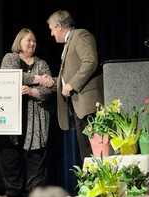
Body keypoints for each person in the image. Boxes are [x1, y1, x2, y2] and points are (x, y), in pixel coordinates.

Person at [0, 28, 53, 197]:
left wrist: (31, 91)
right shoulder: (10, 58)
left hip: (35, 118)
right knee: (10, 157)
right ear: (19, 41)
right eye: (28, 40)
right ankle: (13, 194)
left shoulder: (42, 63)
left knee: (36, 159)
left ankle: (35, 196)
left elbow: (48, 89)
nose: (32, 43)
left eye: (34, 41)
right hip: (10, 117)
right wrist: (38, 79)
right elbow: (12, 76)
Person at [46, 10, 104, 161]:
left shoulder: (80, 35)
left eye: (52, 29)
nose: (51, 34)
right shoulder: (69, 42)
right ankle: (91, 183)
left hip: (89, 104)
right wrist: (53, 81)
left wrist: (71, 84)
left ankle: (99, 183)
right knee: (85, 151)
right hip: (79, 105)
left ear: (59, 26)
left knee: (96, 149)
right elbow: (68, 75)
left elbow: (90, 61)